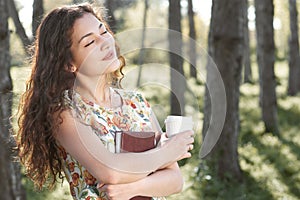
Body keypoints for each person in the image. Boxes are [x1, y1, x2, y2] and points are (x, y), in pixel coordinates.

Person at [17, 3, 194, 200]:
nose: (105, 42)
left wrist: (132, 189)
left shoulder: (137, 103)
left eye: (103, 31)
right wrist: (167, 151)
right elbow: (109, 171)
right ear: (69, 63)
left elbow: (175, 180)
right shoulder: (64, 111)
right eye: (89, 42)